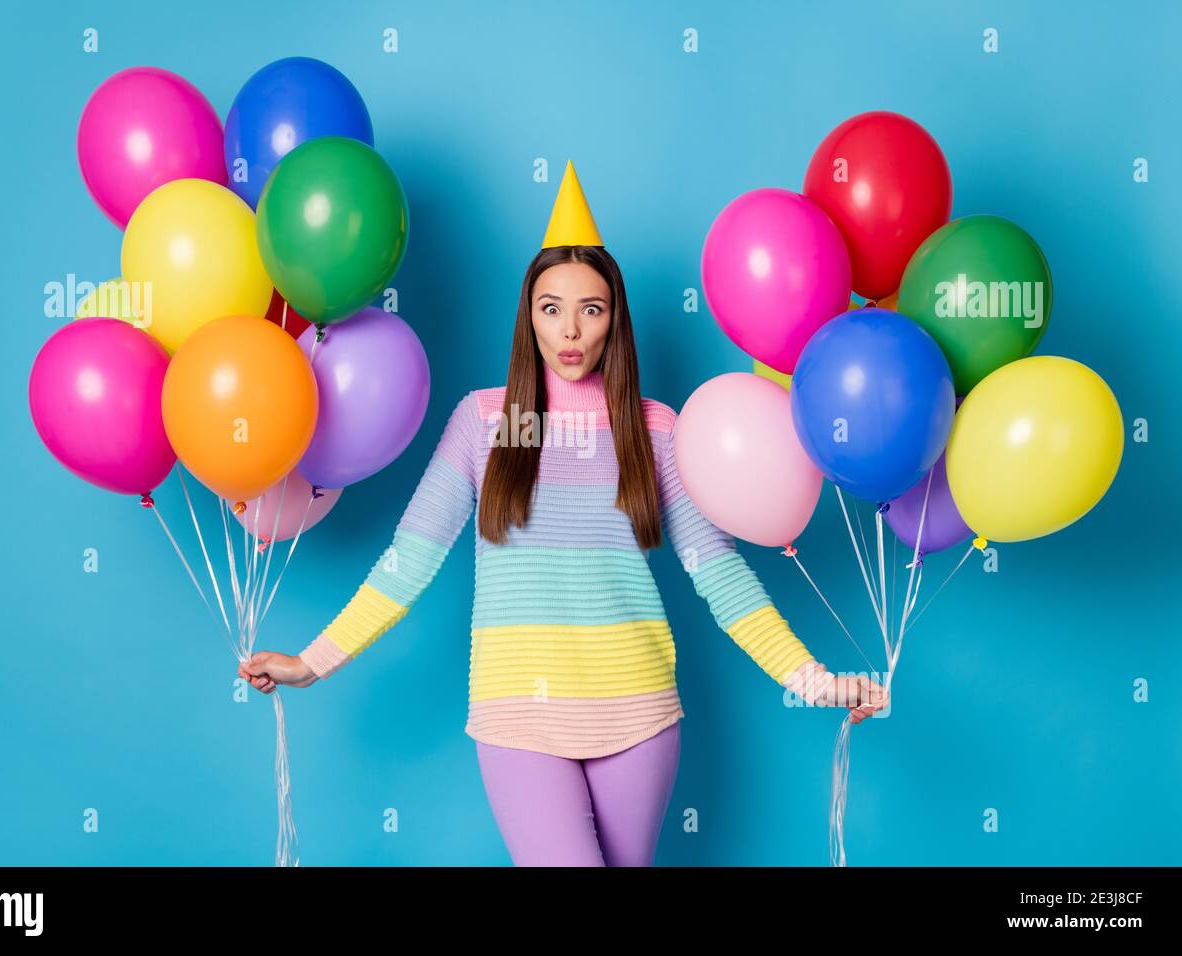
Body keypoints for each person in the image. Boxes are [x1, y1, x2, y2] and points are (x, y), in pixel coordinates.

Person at [239, 160, 888, 866]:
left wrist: (814, 680)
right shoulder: (484, 423)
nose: (571, 329)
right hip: (518, 717)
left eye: (591, 308)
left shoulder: (657, 430)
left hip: (640, 717)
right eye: (551, 308)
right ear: (529, 318)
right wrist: (314, 661)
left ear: (615, 319)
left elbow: (721, 578)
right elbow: (410, 561)